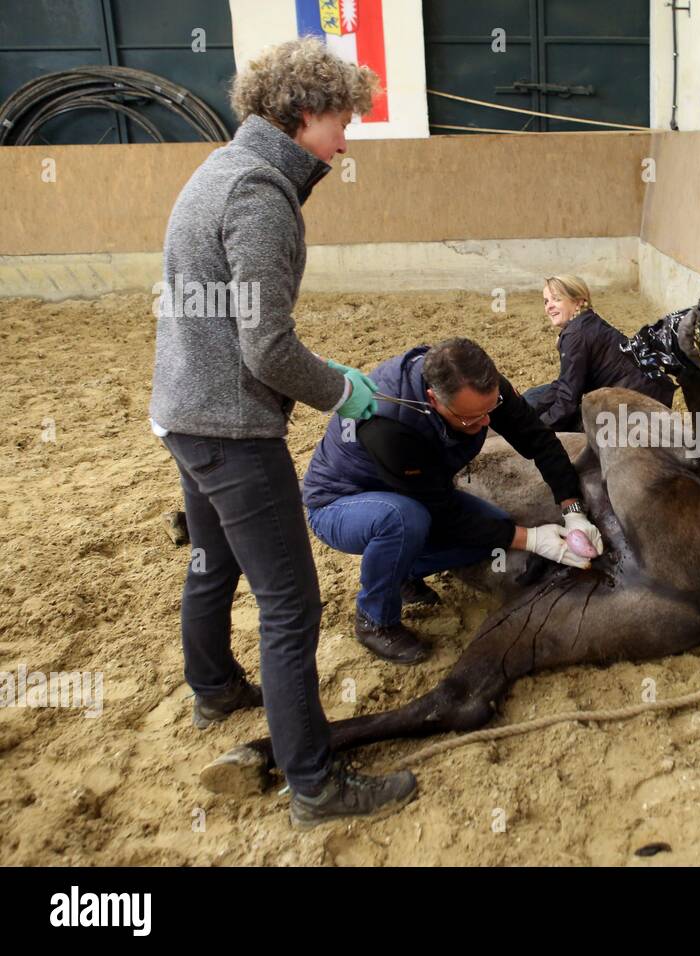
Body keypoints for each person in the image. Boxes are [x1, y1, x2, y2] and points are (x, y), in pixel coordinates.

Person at [149, 38, 416, 827]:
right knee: (292, 605)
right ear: (302, 117)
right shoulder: (262, 191)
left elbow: (242, 326)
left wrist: (321, 370)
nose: (347, 137)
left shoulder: (223, 167)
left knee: (212, 558)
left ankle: (215, 691)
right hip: (230, 429)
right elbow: (266, 347)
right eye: (342, 120)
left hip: (184, 412)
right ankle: (314, 786)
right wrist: (343, 391)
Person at [301, 337, 605, 664]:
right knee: (406, 519)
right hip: (340, 503)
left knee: (494, 533)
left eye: (490, 410)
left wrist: (572, 510)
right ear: (433, 400)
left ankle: (399, 568)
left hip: (413, 491)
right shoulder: (389, 425)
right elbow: (442, 513)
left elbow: (538, 439)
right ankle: (374, 619)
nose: (486, 423)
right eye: (471, 419)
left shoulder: (479, 386)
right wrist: (532, 538)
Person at [523, 275, 676, 431]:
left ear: (579, 301)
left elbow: (568, 397)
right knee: (534, 396)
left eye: (556, 299)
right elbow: (566, 382)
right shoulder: (586, 322)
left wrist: (538, 429)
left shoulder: (576, 334)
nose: (549, 307)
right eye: (546, 301)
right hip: (654, 396)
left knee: (547, 407)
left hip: (640, 409)